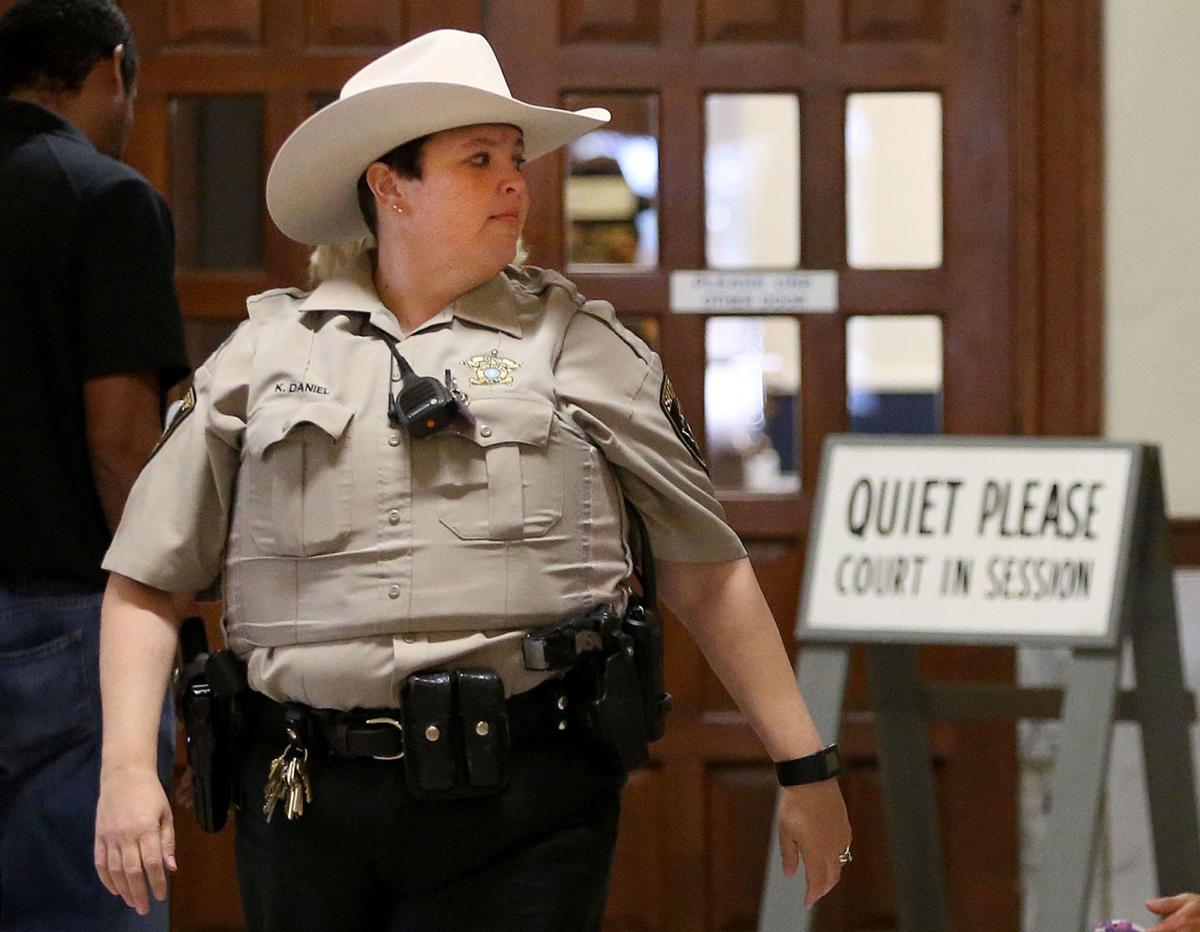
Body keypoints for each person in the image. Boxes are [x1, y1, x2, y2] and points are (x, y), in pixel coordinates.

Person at [93, 28, 851, 930]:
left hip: (525, 801)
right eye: (477, 159)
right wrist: (128, 771)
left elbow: (705, 569)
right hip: (306, 803)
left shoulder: (579, 346)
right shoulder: (263, 356)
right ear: (388, 185)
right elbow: (146, 578)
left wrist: (805, 766)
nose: (515, 184)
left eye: (516, 159)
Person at [0, 0, 189, 928]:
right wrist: (179, 646)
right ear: (112, 68)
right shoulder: (102, 198)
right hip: (63, 626)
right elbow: (121, 447)